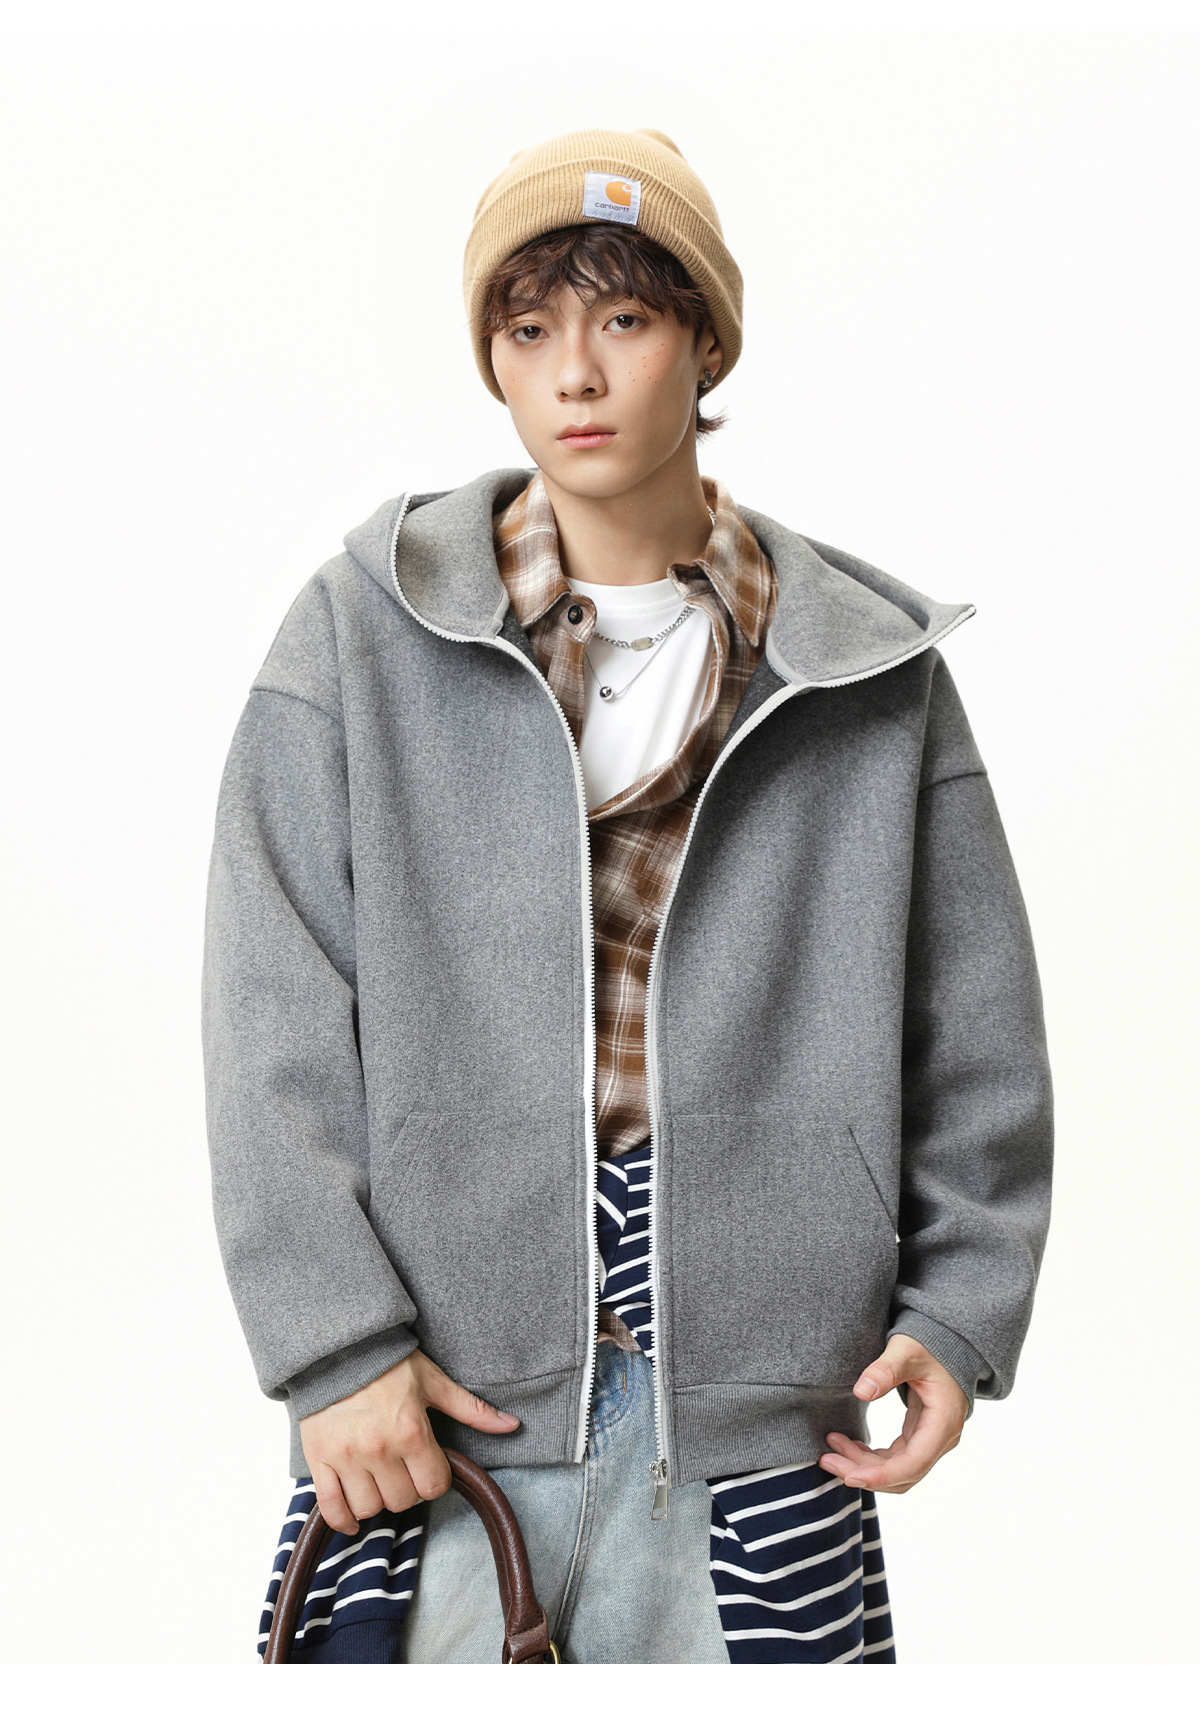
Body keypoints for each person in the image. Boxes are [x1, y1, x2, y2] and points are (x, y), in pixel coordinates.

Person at [202, 127, 1053, 1666]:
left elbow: (977, 1026)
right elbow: (272, 1012)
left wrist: (960, 1305)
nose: (576, 375)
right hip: (436, 1420)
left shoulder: (863, 671)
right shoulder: (361, 635)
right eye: (530, 329)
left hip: (764, 1433)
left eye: (625, 318)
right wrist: (333, 1347)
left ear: (706, 340)